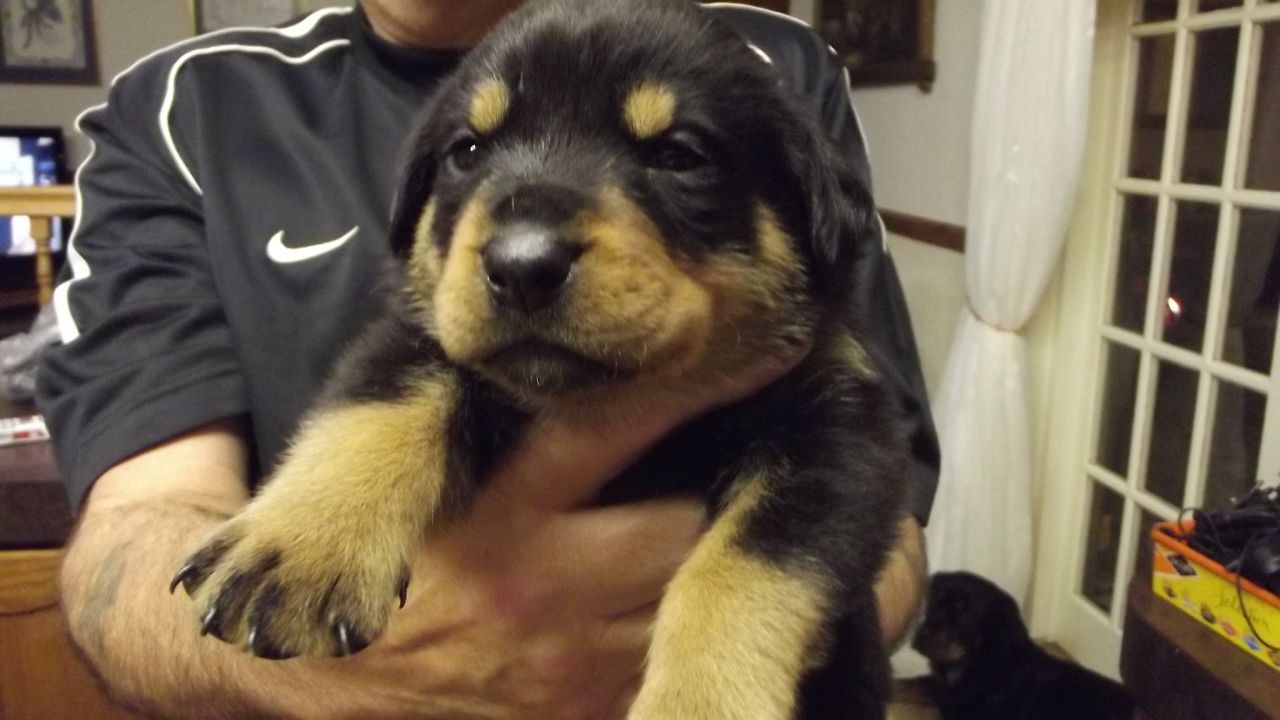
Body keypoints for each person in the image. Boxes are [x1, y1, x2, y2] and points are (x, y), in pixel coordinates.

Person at [36, 1, 939, 718]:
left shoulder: (767, 59)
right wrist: (384, 658)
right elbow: (141, 523)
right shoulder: (185, 108)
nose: (523, 247)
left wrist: (726, 649)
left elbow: (871, 497)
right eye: (469, 153)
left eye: (678, 154)